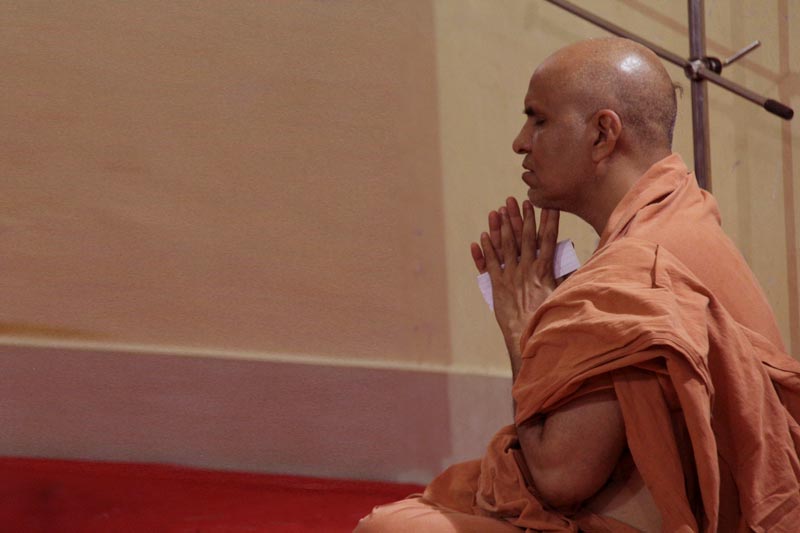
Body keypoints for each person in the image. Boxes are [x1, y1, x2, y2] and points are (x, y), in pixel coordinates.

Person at [355, 37, 800, 532]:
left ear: (603, 134)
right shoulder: (685, 213)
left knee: (390, 528)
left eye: (539, 120)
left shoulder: (636, 269)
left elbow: (558, 476)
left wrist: (522, 327)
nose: (521, 142)